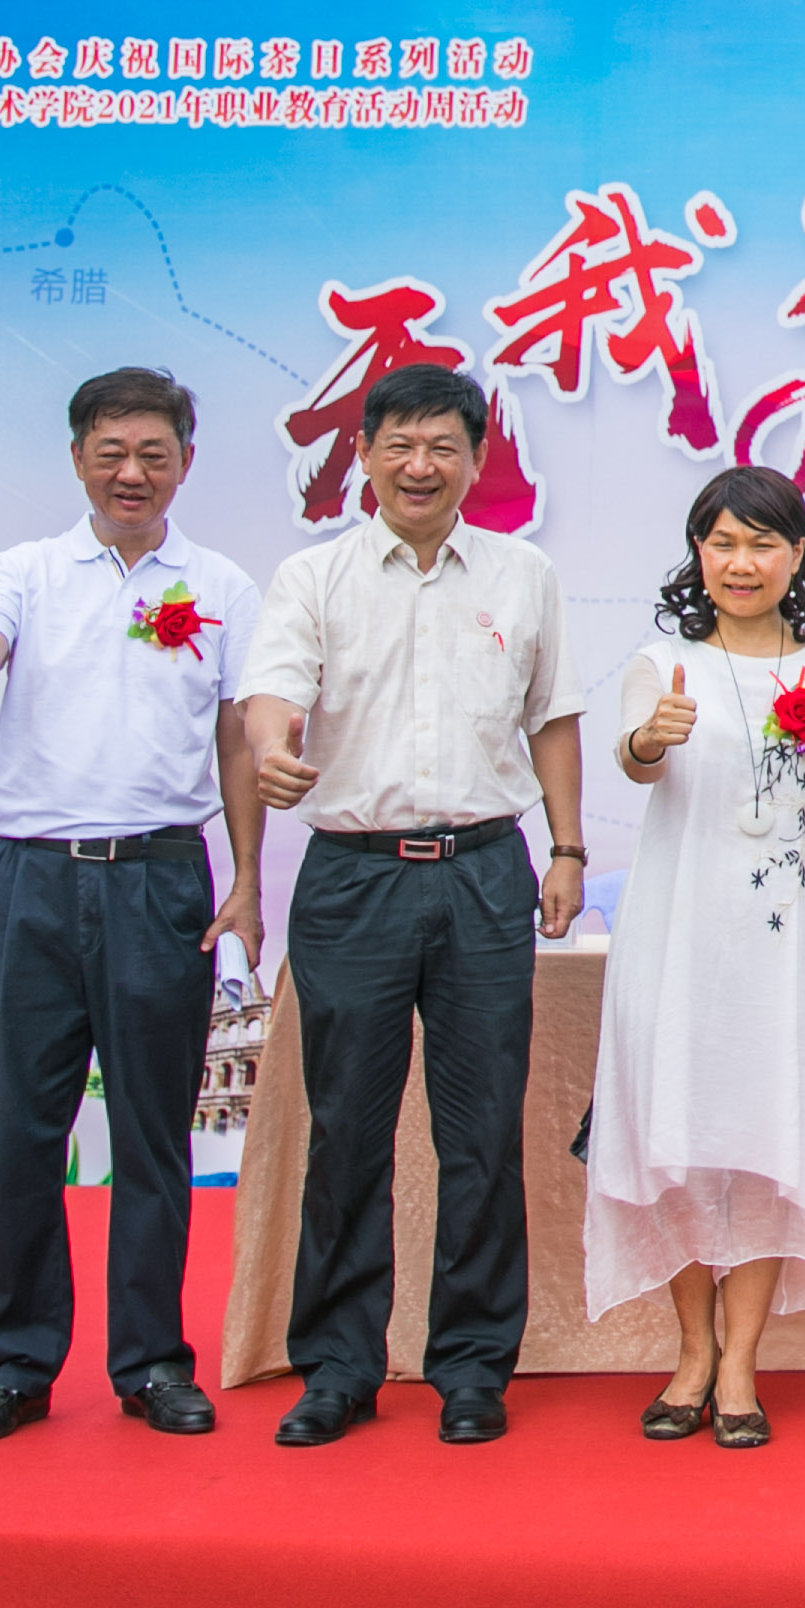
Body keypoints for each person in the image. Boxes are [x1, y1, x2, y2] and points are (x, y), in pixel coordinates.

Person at [239, 361, 587, 1448]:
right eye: (398, 444)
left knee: (482, 1132)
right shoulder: (315, 577)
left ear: (477, 460)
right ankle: (338, 1366)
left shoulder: (524, 574)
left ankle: (473, 1364)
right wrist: (271, 748)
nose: (420, 465)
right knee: (347, 1129)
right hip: (353, 877)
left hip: (484, 870)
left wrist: (566, 848)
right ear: (365, 456)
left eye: (443, 446)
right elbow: (271, 695)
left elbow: (552, 716)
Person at [0, 366, 264, 1447]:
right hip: (33, 878)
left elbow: (238, 737)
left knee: (154, 1135)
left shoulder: (220, 585)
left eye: (153, 455)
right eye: (111, 452)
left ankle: (152, 1361)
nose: (131, 473)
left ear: (186, 464)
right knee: (21, 1131)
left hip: (162, 877)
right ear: (77, 459)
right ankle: (11, 1367)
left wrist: (247, 879)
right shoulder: (23, 573)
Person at [586, 464, 805, 1450]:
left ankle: (742, 1363)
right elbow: (636, 760)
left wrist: (791, 877)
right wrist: (650, 737)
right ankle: (691, 1351)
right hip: (672, 939)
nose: (741, 562)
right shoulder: (661, 662)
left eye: (762, 544)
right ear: (699, 553)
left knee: (770, 1137)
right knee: (676, 1135)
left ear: (797, 555)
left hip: (784, 954)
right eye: (722, 543)